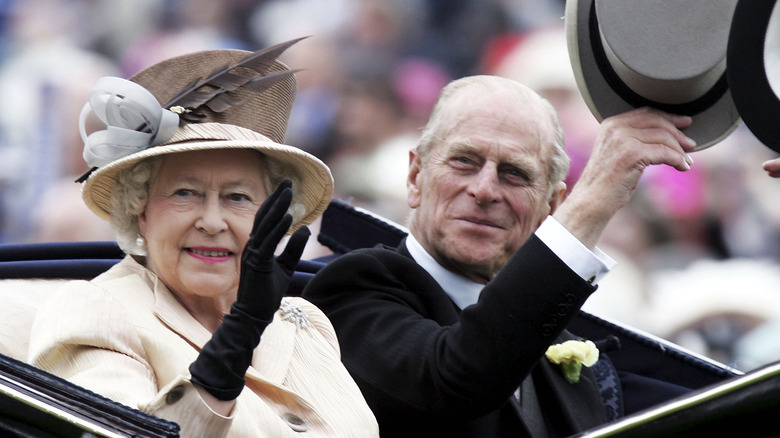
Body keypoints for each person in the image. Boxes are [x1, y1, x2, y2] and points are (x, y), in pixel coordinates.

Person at [302, 75, 696, 437]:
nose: (485, 189)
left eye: (515, 173)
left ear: (551, 205)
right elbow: (456, 378)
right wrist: (594, 200)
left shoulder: (560, 347)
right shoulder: (346, 291)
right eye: (464, 161)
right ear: (415, 176)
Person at [28, 40, 378, 437]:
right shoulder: (93, 312)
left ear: (273, 214)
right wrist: (237, 337)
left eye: (237, 197)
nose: (212, 221)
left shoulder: (305, 322)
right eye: (185, 193)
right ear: (139, 209)